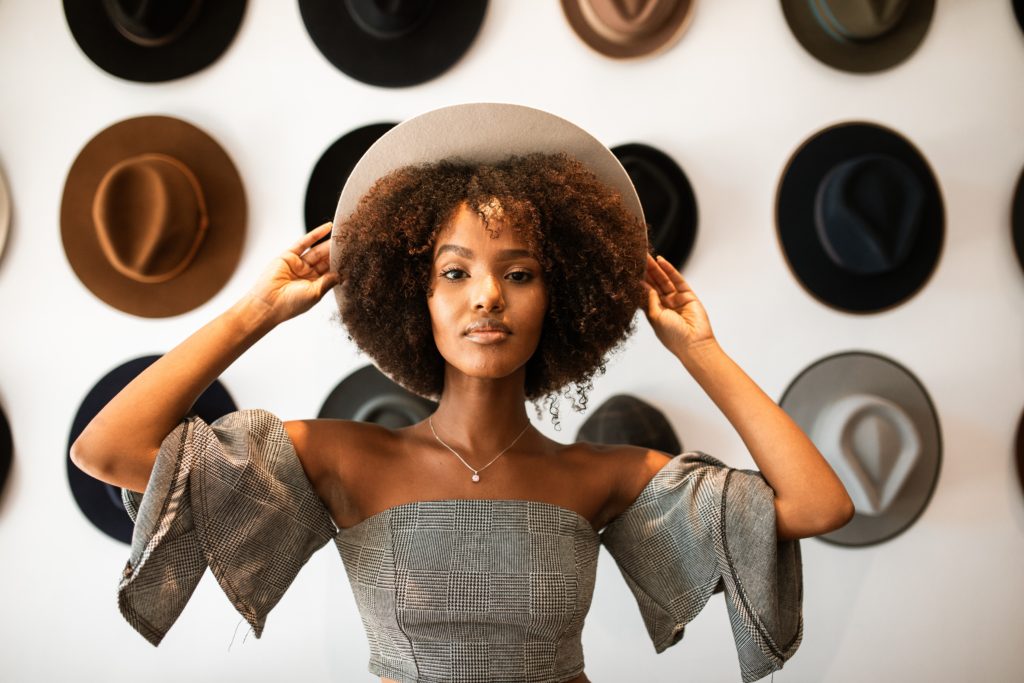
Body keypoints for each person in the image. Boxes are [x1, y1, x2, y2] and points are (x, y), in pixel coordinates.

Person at [71, 104, 853, 683]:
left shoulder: (603, 477)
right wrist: (257, 311)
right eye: (455, 271)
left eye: (519, 272)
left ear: (561, 296)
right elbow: (108, 450)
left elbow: (819, 505)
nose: (487, 296)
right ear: (417, 297)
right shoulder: (345, 458)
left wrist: (701, 352)